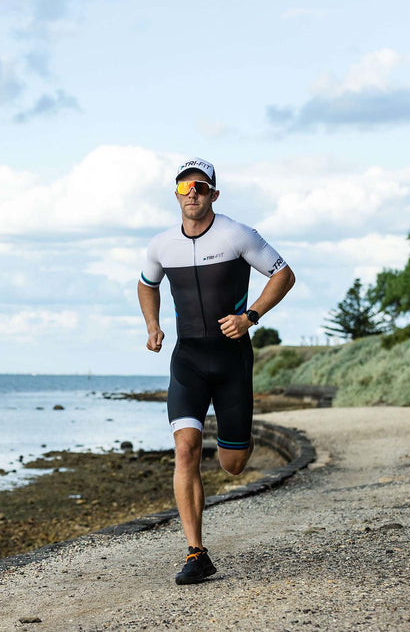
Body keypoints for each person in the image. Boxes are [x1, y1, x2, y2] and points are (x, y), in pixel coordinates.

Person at [137, 157, 295, 585]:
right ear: (176, 195)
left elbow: (284, 274)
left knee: (233, 464)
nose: (193, 193)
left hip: (232, 360)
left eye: (201, 187)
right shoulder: (161, 245)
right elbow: (146, 284)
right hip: (187, 360)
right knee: (186, 450)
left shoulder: (236, 234)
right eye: (185, 187)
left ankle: (236, 434)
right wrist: (153, 325)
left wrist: (251, 316)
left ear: (214, 194)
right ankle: (196, 552)